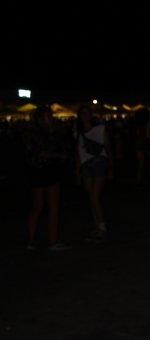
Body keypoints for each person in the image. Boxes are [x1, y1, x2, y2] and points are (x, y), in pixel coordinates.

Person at [24, 105, 70, 251]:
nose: (51, 118)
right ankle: (45, 241)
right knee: (44, 206)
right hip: (42, 171)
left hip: (45, 170)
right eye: (48, 116)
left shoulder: (48, 131)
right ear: (40, 118)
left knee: (47, 206)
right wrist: (58, 155)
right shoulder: (37, 133)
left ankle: (45, 241)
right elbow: (39, 152)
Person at [75, 105, 113, 241]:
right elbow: (79, 153)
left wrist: (110, 166)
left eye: (87, 113)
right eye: (82, 113)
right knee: (91, 197)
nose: (85, 116)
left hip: (99, 163)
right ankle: (97, 225)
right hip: (87, 166)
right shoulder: (79, 133)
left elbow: (108, 148)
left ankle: (102, 225)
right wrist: (77, 171)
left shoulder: (100, 129)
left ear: (91, 115)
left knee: (94, 196)